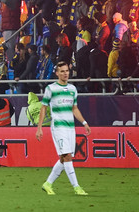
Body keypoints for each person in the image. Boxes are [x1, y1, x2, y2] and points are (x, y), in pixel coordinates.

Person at [36, 61, 90, 196]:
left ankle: (48, 183)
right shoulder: (51, 89)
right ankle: (76, 187)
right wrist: (39, 127)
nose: (65, 73)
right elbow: (43, 108)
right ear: (57, 73)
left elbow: (75, 108)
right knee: (67, 156)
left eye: (67, 71)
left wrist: (84, 122)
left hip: (71, 128)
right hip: (58, 127)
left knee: (64, 157)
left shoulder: (72, 89)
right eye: (62, 71)